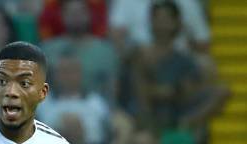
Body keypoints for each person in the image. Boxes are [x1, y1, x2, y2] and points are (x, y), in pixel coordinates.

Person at [130, 0, 229, 132]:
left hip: (177, 110)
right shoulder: (142, 54)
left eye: (166, 19)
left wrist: (175, 91)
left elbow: (189, 91)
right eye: (158, 18)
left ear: (177, 22)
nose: (162, 24)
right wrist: (158, 91)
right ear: (151, 22)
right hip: (148, 111)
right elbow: (137, 90)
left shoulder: (183, 58)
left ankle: (184, 126)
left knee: (221, 91)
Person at [41, 0, 119, 100]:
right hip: (54, 108)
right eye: (71, 13)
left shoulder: (105, 51)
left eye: (80, 12)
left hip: (96, 109)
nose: (76, 17)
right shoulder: (47, 49)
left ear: (89, 15)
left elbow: (112, 89)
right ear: (62, 16)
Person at [109, 0, 210, 54]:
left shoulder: (188, 3)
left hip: (179, 65)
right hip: (139, 61)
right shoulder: (127, 1)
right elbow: (116, 36)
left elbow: (203, 42)